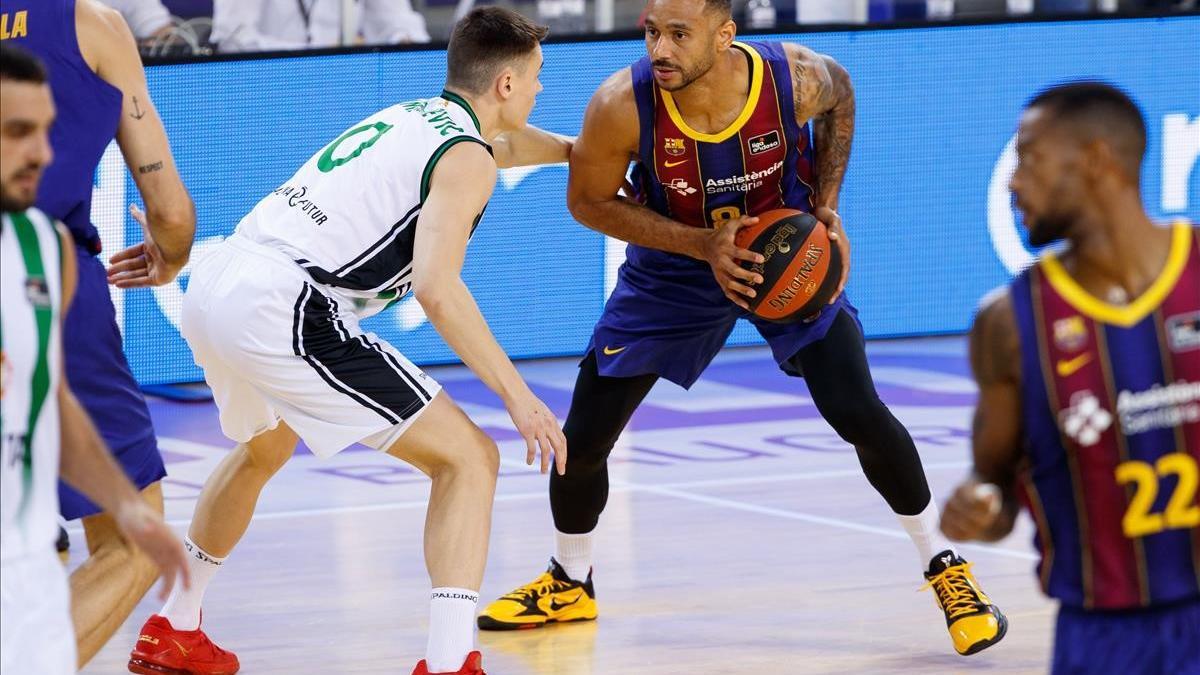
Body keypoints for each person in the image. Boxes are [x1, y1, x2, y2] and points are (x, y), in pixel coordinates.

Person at [479, 0, 1007, 656]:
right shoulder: (622, 104)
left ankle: (946, 567)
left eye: (679, 34)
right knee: (582, 439)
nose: (660, 50)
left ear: (725, 35)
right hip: (676, 265)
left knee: (856, 408)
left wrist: (827, 205)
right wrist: (703, 246)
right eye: (652, 33)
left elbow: (843, 96)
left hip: (783, 252)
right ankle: (570, 579)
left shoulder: (794, 77)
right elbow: (587, 201)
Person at [125, 7, 571, 675]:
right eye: (536, 79)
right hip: (287, 304)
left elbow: (504, 147)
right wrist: (519, 397)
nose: (540, 91)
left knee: (263, 445)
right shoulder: (466, 158)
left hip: (222, 276)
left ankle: (175, 626)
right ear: (506, 84)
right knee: (469, 459)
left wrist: (575, 151)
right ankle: (451, 662)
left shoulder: (419, 115)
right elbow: (438, 290)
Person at [941, 82, 1200, 675]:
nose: (1012, 183)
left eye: (1028, 160)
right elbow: (996, 486)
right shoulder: (1007, 324)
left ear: (1095, 161)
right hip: (1100, 638)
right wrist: (979, 508)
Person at [3, 0, 197, 667]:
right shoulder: (94, 26)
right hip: (52, 281)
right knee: (131, 542)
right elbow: (169, 211)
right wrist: (170, 251)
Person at [212, 0, 430, 52]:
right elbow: (232, 38)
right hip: (269, 86)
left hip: (340, 86)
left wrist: (405, 41)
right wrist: (315, 55)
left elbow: (399, 21)